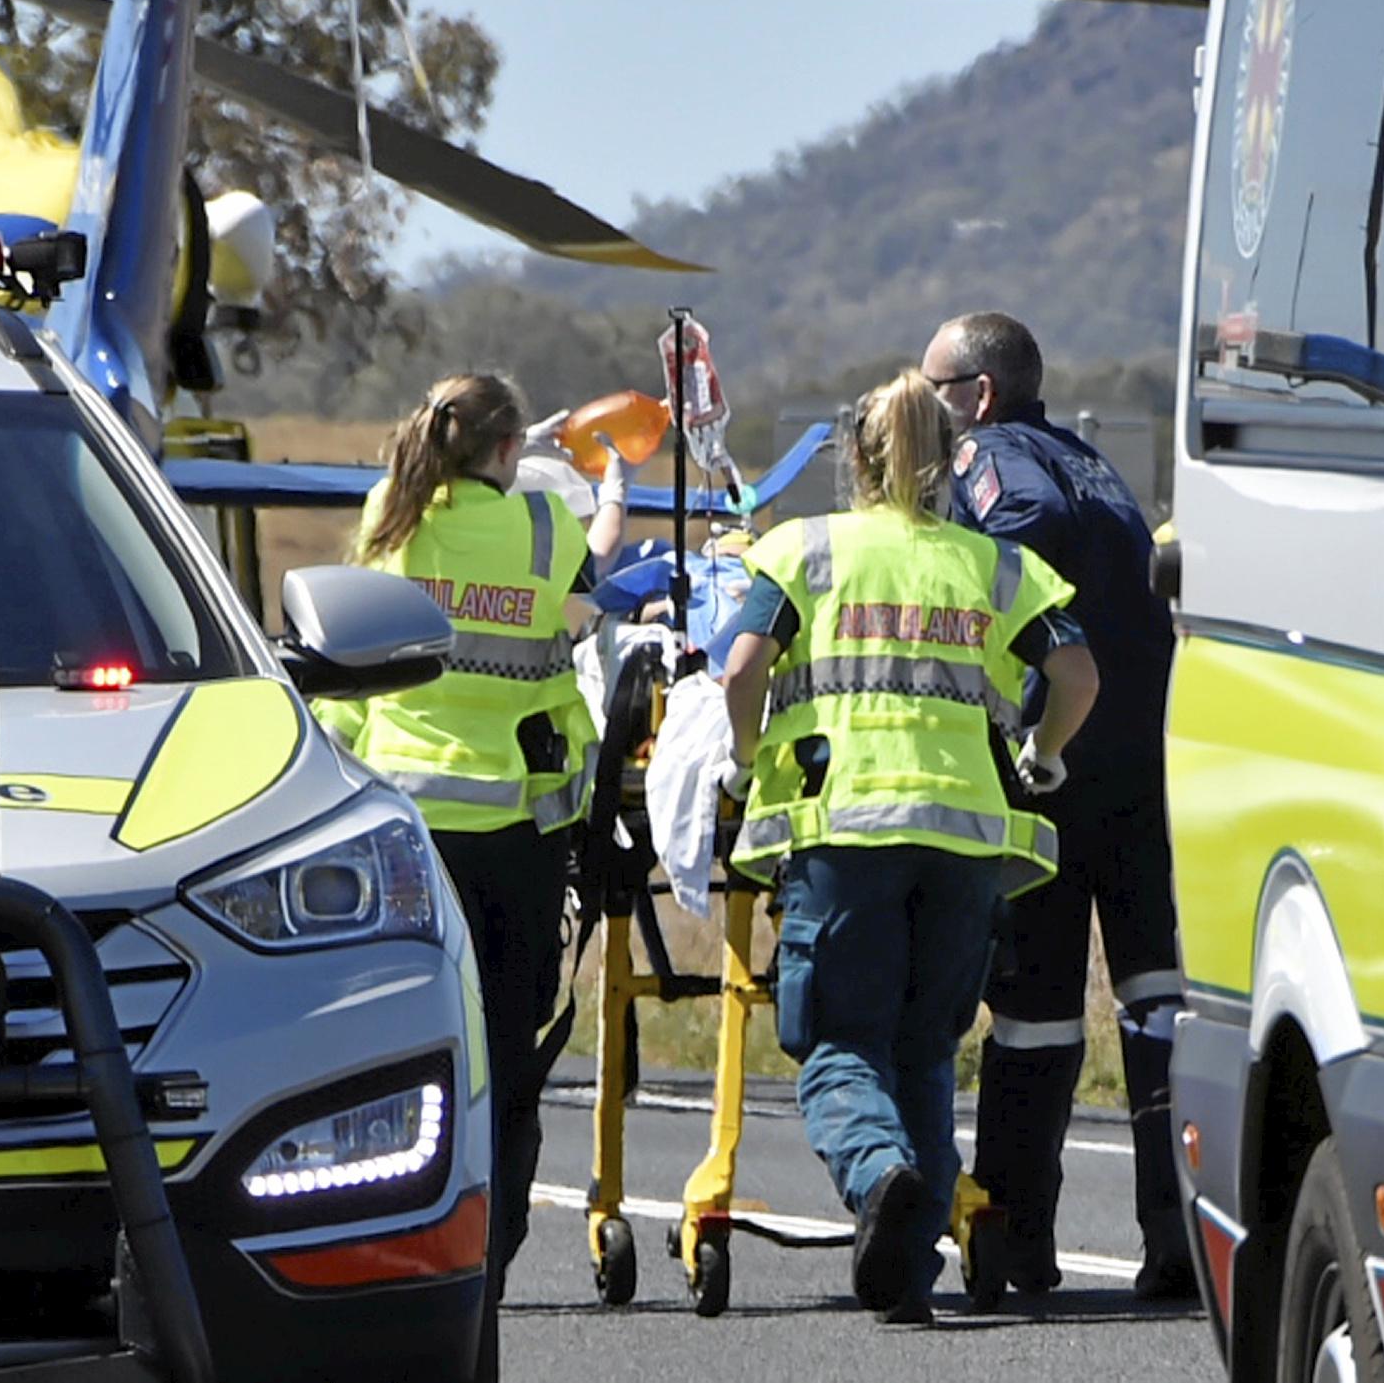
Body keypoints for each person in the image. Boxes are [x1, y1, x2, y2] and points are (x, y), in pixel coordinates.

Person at [719, 369, 1099, 1326]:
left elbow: (741, 668)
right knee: (928, 1049)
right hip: (966, 838)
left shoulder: (804, 550)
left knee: (840, 1043)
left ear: (857, 454)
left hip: (845, 828)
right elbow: (1077, 672)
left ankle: (878, 1171)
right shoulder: (992, 564)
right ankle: (907, 1271)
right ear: (949, 459)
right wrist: (1041, 755)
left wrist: (743, 758)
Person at [314, 371, 630, 1300]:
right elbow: (587, 594)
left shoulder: (394, 511)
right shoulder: (544, 526)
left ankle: (395, 1248)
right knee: (509, 1048)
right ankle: (492, 1248)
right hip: (517, 830)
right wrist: (608, 492)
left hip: (407, 824)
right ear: (508, 452)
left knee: (405, 1046)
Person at [919, 310, 1194, 1299]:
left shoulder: (988, 460)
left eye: (932, 385)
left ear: (977, 394)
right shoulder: (1091, 461)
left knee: (1033, 1009)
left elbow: (1015, 532)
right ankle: (1180, 1240)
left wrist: (1022, 699)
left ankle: (1013, 1242)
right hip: (1140, 769)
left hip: (1056, 769)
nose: (923, 405)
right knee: (1157, 1002)